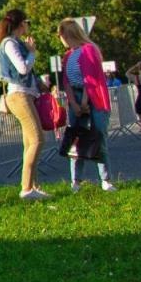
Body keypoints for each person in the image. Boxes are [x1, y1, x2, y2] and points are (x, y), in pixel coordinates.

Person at [0, 9, 49, 201]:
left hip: (26, 94)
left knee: (29, 142)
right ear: (20, 24)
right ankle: (26, 188)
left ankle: (33, 185)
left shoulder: (16, 43)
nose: (28, 25)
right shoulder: (9, 43)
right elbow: (22, 68)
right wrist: (32, 53)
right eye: (27, 21)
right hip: (19, 95)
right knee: (37, 139)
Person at [58, 20, 116, 192]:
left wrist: (84, 102)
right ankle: (76, 180)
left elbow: (90, 78)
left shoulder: (89, 50)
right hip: (75, 96)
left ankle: (105, 179)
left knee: (98, 137)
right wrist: (74, 103)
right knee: (76, 139)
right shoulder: (68, 55)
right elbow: (66, 81)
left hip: (93, 97)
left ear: (67, 34)